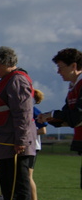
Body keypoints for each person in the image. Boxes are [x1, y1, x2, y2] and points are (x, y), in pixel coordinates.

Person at [0, 47, 37, 200]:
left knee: (19, 179)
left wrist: (21, 140)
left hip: (15, 141)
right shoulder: (6, 80)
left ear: (7, 62)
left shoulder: (17, 80)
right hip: (5, 140)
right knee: (7, 179)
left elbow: (23, 112)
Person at [38, 48, 82, 188]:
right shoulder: (73, 87)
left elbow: (77, 117)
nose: (58, 72)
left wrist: (52, 115)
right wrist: (48, 119)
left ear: (74, 66)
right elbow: (66, 116)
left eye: (61, 67)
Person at [29, 89, 47, 200]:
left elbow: (43, 130)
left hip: (33, 146)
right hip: (25, 146)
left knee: (27, 176)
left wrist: (28, 131)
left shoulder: (34, 111)